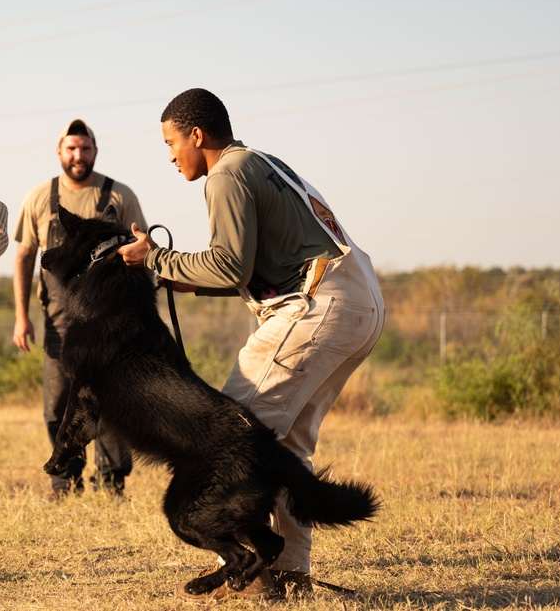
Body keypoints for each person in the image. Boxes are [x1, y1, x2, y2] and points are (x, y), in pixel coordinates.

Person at [118, 88, 384, 600]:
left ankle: (245, 572)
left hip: (315, 305)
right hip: (355, 299)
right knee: (284, 444)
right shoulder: (260, 161)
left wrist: (154, 260)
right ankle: (289, 572)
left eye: (171, 141)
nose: (170, 155)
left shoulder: (225, 175)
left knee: (225, 438)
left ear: (196, 135)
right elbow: (242, 264)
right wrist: (177, 273)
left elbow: (228, 265)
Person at [12, 119, 147, 500]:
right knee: (58, 403)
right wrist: (21, 317)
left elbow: (143, 250)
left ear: (95, 152)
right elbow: (24, 258)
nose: (78, 156)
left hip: (111, 321)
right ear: (59, 152)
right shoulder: (40, 197)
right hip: (59, 321)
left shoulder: (119, 196)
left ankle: (111, 482)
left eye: (85, 148)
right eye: (71, 148)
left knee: (112, 399)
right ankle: (64, 482)